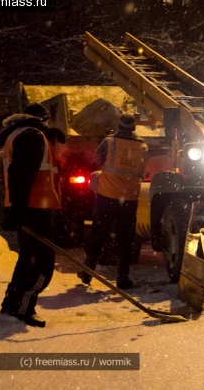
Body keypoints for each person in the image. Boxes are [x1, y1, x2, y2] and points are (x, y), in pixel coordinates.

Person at [0, 102, 62, 327]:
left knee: (27, 259)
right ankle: (23, 309)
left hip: (27, 208)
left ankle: (12, 304)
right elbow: (22, 175)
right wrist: (19, 208)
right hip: (35, 208)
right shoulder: (31, 136)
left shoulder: (18, 134)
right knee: (41, 264)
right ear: (42, 120)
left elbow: (18, 171)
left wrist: (15, 209)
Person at [77, 114, 148, 290]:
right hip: (129, 198)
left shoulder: (109, 142)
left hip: (107, 196)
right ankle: (122, 278)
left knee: (99, 233)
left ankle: (87, 271)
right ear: (133, 128)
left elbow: (97, 159)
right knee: (126, 237)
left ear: (119, 126)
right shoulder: (143, 146)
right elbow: (141, 169)